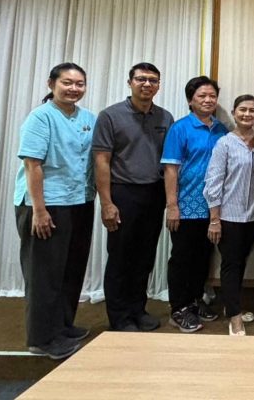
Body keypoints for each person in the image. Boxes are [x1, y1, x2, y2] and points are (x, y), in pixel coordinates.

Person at [14, 63, 96, 359]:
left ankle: (62, 325)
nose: (74, 88)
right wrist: (39, 210)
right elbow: (32, 165)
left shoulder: (88, 118)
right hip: (46, 204)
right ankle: (41, 338)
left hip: (80, 201)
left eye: (79, 83)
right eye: (67, 82)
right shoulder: (40, 117)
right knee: (44, 274)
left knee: (71, 269)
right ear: (52, 84)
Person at [92, 62, 173, 333]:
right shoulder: (110, 116)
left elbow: (169, 161)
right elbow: (101, 161)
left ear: (159, 85)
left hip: (154, 193)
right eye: (141, 79)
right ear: (130, 83)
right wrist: (106, 203)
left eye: (153, 80)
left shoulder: (165, 118)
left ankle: (138, 309)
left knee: (144, 257)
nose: (147, 84)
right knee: (120, 257)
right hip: (123, 193)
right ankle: (120, 317)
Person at [161, 75, 229, 333]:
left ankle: (195, 300)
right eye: (202, 96)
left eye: (212, 96)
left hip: (213, 207)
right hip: (186, 206)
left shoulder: (221, 129)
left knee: (203, 257)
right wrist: (172, 205)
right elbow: (170, 169)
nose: (208, 100)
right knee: (182, 259)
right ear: (191, 100)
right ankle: (179, 308)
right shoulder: (180, 128)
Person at [204, 95, 254, 336]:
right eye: (242, 110)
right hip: (229, 216)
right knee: (230, 264)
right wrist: (214, 219)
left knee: (242, 262)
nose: (247, 114)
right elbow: (213, 182)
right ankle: (235, 318)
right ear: (234, 112)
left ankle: (232, 305)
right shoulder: (225, 143)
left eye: (252, 110)